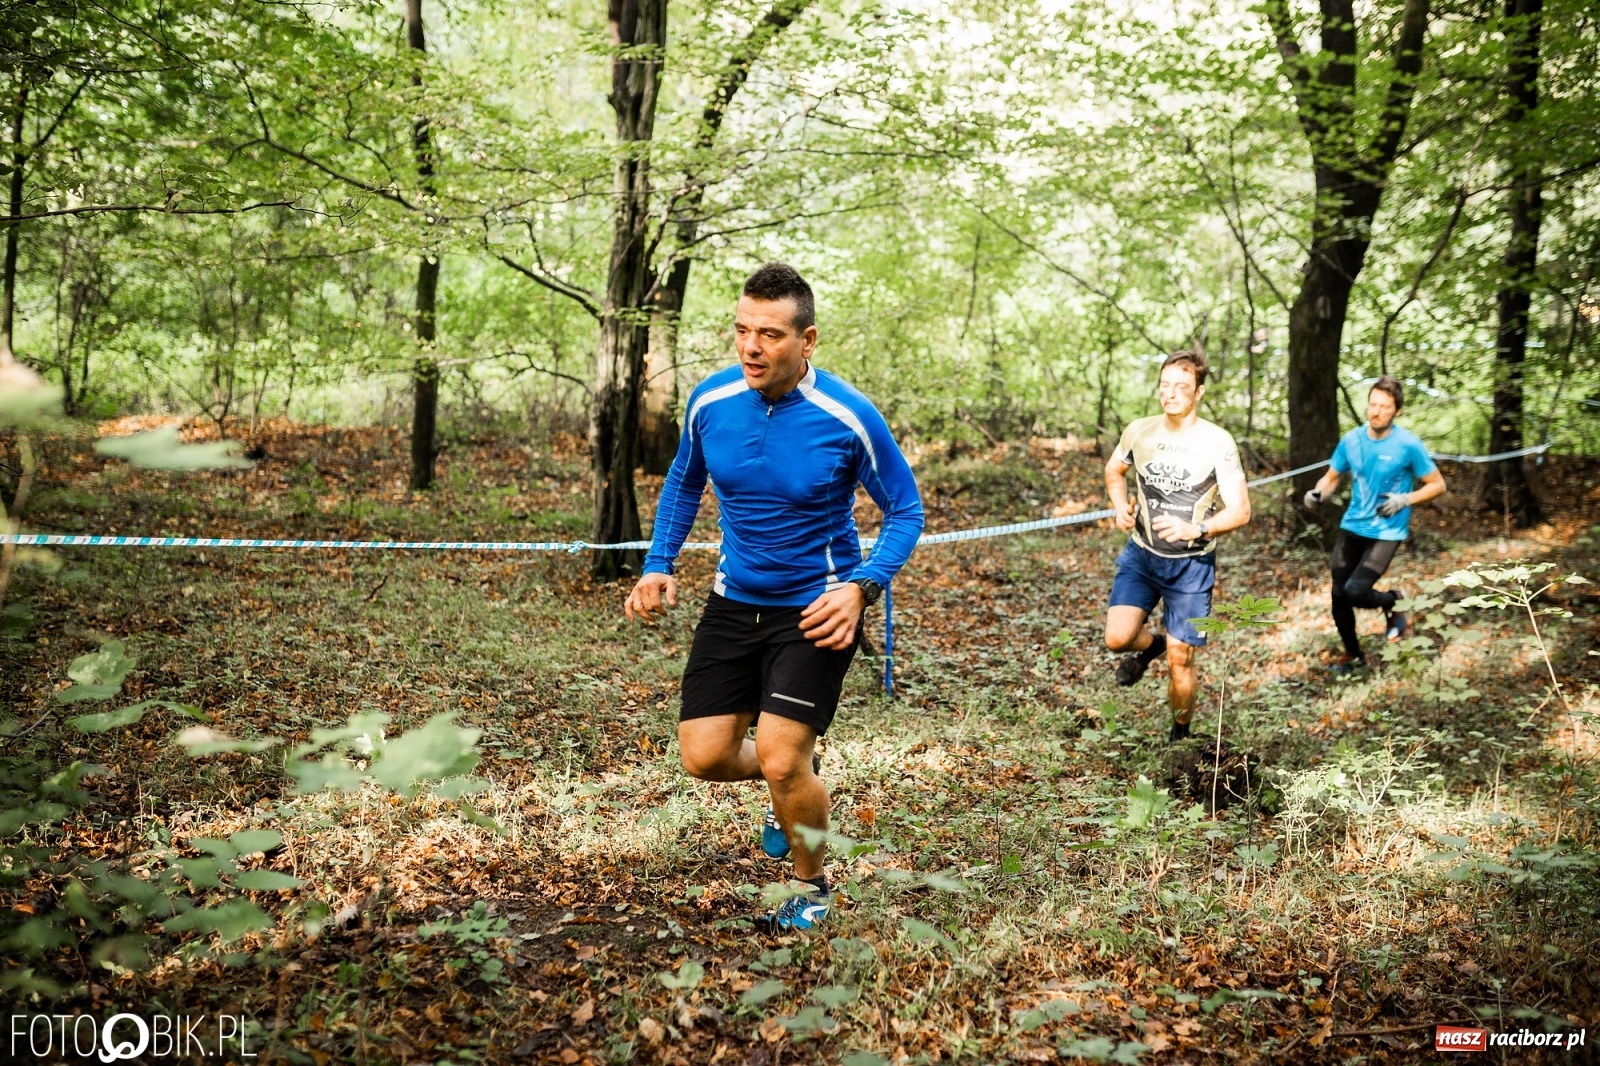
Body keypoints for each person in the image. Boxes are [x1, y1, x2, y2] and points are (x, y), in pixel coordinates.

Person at [624, 262, 924, 932]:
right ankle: (788, 786)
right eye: (741, 331)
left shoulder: (847, 416)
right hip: (734, 601)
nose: (752, 347)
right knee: (702, 757)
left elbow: (906, 512)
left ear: (807, 341)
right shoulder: (710, 402)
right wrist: (658, 562)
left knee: (783, 756)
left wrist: (862, 587)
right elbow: (683, 480)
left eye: (770, 334)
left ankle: (811, 885)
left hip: (815, 607)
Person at [1103, 350, 1252, 742]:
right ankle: (1151, 647)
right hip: (1141, 556)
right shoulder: (1139, 430)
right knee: (1117, 639)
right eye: (1165, 385)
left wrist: (1196, 527)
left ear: (1198, 392)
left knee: (1180, 659)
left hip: (1190, 566)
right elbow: (1114, 470)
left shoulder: (1217, 442)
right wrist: (1120, 506)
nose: (1170, 394)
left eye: (1181, 387)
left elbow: (1241, 511)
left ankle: (1179, 736)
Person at [1302, 375, 1446, 673]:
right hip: (1353, 525)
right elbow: (1331, 478)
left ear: (1397, 411)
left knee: (1355, 590)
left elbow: (1437, 485)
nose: (1377, 411)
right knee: (1338, 594)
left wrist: (1405, 499)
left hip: (1387, 530)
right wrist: (1317, 494)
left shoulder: (1408, 444)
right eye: (1373, 404)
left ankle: (1393, 600)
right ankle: (1353, 656)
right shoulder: (1351, 441)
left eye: (1385, 407)